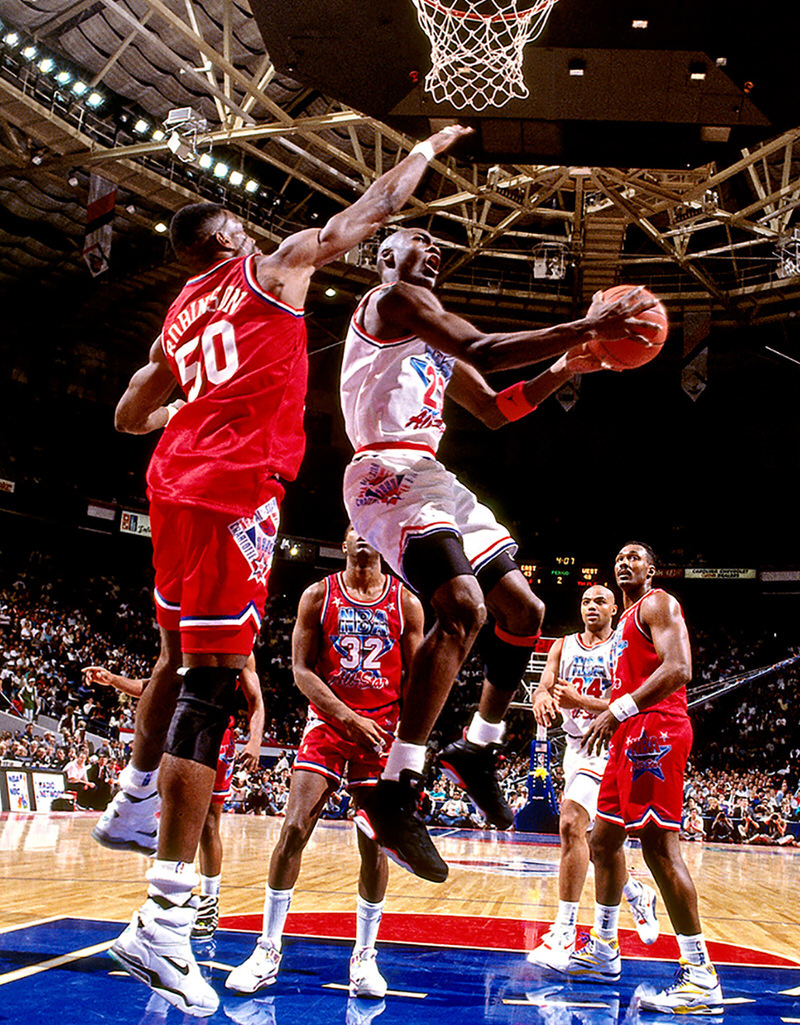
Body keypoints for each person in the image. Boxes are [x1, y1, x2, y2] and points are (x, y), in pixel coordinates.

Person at [105, 123, 469, 1017]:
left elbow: (125, 415)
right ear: (229, 237)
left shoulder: (179, 315)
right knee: (215, 686)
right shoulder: (269, 269)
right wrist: (424, 152)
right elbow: (372, 209)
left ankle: (132, 795)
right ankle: (163, 919)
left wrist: (188, 410)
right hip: (232, 491)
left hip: (171, 484)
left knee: (176, 657)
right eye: (240, 223)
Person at [340, 226, 657, 882]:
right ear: (385, 257)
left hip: (429, 473)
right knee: (462, 605)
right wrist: (584, 326)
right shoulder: (391, 300)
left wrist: (563, 370)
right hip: (381, 467)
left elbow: (493, 408)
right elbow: (484, 345)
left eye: (437, 243)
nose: (431, 245)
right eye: (415, 237)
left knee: (522, 606)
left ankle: (477, 746)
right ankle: (395, 789)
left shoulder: (436, 334)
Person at [226, 527, 424, 998]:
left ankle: (364, 957)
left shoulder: (406, 602)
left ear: (382, 538)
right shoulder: (319, 595)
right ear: (344, 537)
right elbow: (301, 670)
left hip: (383, 731)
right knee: (293, 829)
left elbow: (418, 679)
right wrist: (346, 717)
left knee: (373, 845)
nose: (360, 535)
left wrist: (411, 746)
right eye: (352, 526)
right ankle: (267, 950)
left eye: (368, 527)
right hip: (329, 724)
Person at [567, 542, 723, 1015]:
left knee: (658, 848)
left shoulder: (658, 604)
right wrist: (595, 708)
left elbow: (679, 669)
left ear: (651, 570)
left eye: (634, 556)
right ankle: (604, 948)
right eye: (619, 557)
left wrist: (618, 709)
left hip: (656, 734)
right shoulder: (622, 627)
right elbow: (626, 691)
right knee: (602, 840)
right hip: (625, 734)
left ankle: (700, 975)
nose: (624, 561)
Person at [83, 657, 263, 940]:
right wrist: (113, 679)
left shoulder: (239, 645)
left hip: (217, 734)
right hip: (179, 731)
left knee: (208, 823)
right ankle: (169, 895)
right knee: (171, 815)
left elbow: (255, 698)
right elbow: (153, 686)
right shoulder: (182, 635)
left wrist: (254, 741)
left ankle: (210, 900)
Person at [528, 586, 659, 970]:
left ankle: (565, 933)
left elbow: (635, 699)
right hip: (577, 747)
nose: (591, 607)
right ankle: (635, 892)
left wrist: (581, 702)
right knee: (591, 841)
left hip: (613, 743)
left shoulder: (623, 645)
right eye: (585, 601)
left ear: (614, 608)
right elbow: (546, 684)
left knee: (571, 824)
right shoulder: (562, 646)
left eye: (600, 601)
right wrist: (541, 696)